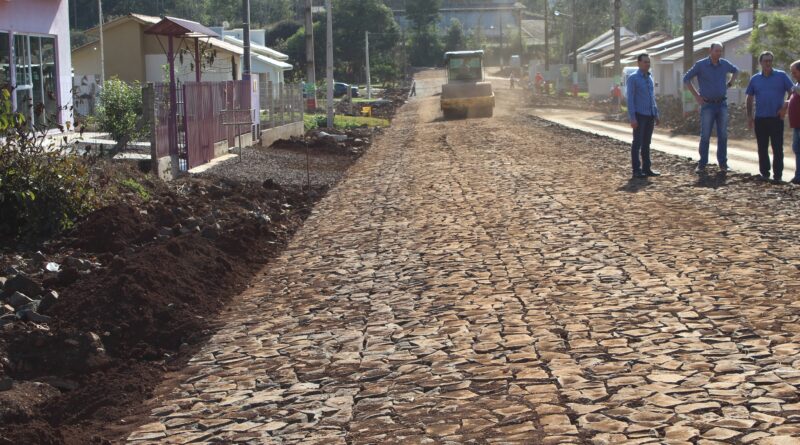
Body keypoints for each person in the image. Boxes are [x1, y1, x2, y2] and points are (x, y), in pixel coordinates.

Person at [683, 42, 740, 174]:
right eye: (716, 51)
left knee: (723, 135)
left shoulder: (724, 64)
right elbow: (686, 79)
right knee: (705, 135)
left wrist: (730, 83)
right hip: (707, 105)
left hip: (722, 104)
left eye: (720, 51)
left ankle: (723, 164)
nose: (718, 53)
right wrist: (697, 96)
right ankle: (702, 164)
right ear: (710, 51)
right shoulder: (701, 65)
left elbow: (736, 71)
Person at [746, 51, 793, 183]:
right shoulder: (755, 79)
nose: (768, 63)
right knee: (762, 147)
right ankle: (765, 174)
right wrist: (749, 116)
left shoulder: (781, 76)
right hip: (760, 118)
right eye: (765, 61)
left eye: (770, 60)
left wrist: (785, 107)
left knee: (777, 147)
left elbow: (792, 91)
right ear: (760, 62)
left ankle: (778, 176)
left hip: (776, 117)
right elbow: (749, 98)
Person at [627, 53, 660, 179]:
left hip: (650, 115)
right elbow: (630, 99)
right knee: (637, 143)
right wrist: (633, 118)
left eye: (648, 62)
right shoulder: (633, 78)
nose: (647, 64)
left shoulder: (650, 78)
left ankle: (647, 168)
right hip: (639, 115)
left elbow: (652, 98)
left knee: (647, 143)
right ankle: (636, 170)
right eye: (645, 62)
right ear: (639, 63)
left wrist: (656, 114)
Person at [787, 60, 800, 184]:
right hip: (797, 125)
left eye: (795, 72)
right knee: (797, 148)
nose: (793, 75)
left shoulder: (797, 87)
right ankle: (798, 175)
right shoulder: (797, 84)